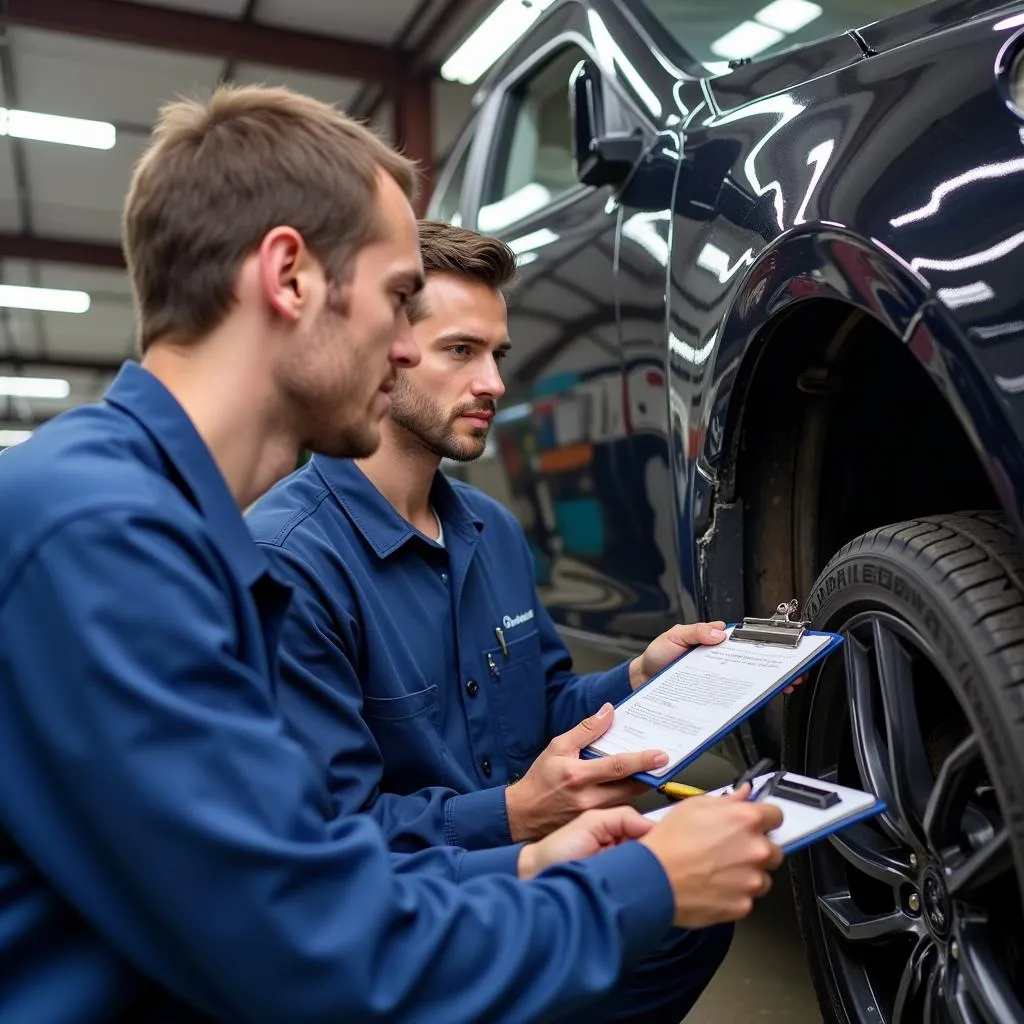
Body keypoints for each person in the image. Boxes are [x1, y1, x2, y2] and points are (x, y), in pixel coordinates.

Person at [0, 85, 784, 1023]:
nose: (407, 351)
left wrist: (534, 861)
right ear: (289, 277)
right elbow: (310, 948)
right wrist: (640, 883)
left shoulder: (153, 517)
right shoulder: (106, 538)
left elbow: (292, 867)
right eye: (399, 297)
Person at [245, 220, 748, 1022]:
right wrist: (514, 815)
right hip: (406, 922)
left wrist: (641, 678)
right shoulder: (290, 561)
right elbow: (322, 846)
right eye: (460, 351)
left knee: (694, 913)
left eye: (497, 355)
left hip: (524, 872)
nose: (495, 384)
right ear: (386, 350)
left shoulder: (490, 529)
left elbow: (543, 706)